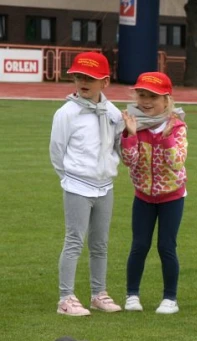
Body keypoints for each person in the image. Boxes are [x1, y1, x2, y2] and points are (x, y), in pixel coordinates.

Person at [49, 51, 124, 316]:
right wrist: (70, 178)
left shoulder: (113, 112)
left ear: (104, 82)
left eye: (90, 78)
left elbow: (119, 144)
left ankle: (98, 293)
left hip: (105, 187)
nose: (83, 81)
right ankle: (65, 298)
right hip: (77, 186)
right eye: (79, 76)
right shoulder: (67, 113)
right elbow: (57, 151)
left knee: (100, 243)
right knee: (74, 241)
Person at [120, 72, 187, 314]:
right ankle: (132, 295)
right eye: (142, 95)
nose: (146, 101)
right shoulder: (133, 124)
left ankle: (170, 298)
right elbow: (130, 161)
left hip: (172, 197)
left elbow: (177, 163)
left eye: (153, 97)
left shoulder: (177, 126)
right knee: (139, 245)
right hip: (143, 197)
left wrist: (167, 138)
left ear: (166, 100)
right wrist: (129, 134)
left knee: (166, 246)